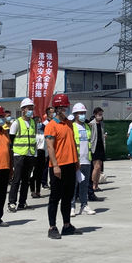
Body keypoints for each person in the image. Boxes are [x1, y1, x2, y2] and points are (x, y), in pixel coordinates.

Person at [45, 93, 80, 240]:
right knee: (55, 198)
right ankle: (52, 227)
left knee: (67, 197)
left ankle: (67, 225)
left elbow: (71, 143)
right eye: (63, 107)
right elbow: (50, 147)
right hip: (58, 166)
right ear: (57, 108)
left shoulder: (69, 124)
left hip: (71, 165)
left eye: (66, 107)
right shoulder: (51, 126)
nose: (66, 109)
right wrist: (55, 165)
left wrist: (76, 160)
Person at [8, 98, 37, 212]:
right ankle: (12, 202)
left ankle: (22, 202)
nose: (30, 110)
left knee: (26, 180)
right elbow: (11, 139)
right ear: (23, 110)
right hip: (19, 154)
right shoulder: (17, 123)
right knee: (17, 179)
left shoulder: (33, 122)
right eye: (28, 108)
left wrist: (34, 154)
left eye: (31, 108)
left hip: (30, 154)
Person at [71, 103, 96, 216]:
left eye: (84, 113)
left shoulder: (86, 126)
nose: (82, 115)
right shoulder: (72, 127)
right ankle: (71, 206)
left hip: (86, 159)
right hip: (76, 160)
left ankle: (84, 205)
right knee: (73, 185)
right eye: (80, 113)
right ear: (75, 115)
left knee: (84, 185)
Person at [30, 106, 51, 198]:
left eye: (39, 121)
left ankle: (38, 191)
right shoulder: (32, 134)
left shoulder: (43, 132)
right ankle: (32, 191)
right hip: (34, 154)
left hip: (42, 153)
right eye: (37, 122)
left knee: (39, 173)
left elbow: (45, 145)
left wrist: (46, 155)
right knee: (33, 174)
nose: (39, 123)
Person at [89, 107, 106, 199]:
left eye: (101, 114)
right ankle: (92, 185)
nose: (100, 116)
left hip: (101, 146)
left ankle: (96, 184)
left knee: (100, 167)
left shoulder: (102, 124)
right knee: (96, 167)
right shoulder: (91, 124)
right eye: (99, 114)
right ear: (95, 115)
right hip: (94, 147)